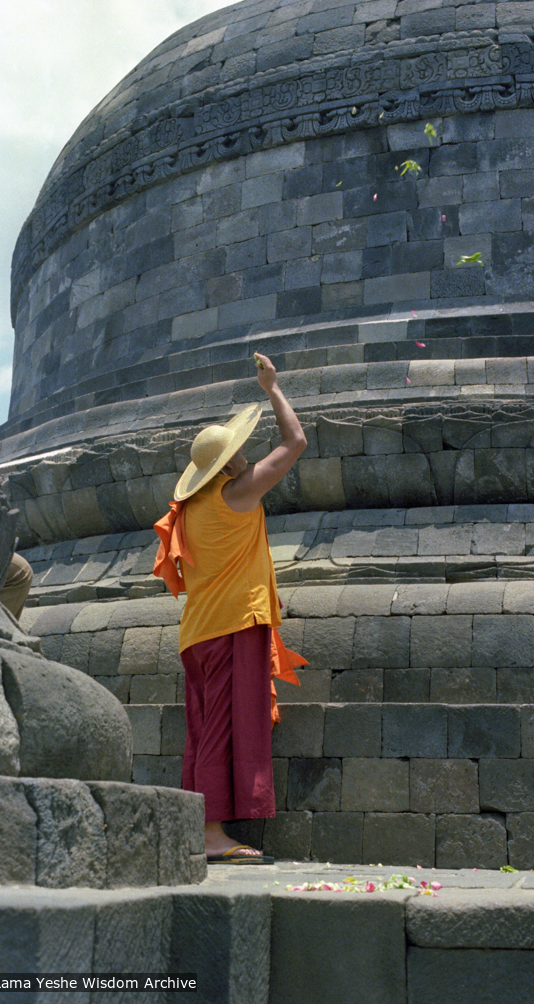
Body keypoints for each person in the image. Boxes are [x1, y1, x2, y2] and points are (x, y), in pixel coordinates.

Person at [153, 352, 309, 863]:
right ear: (229, 464)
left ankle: (202, 826)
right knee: (219, 728)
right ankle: (208, 834)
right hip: (231, 626)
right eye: (239, 451)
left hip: (198, 632)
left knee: (203, 730)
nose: (245, 456)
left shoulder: (191, 507)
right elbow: (295, 444)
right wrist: (273, 389)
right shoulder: (237, 495)